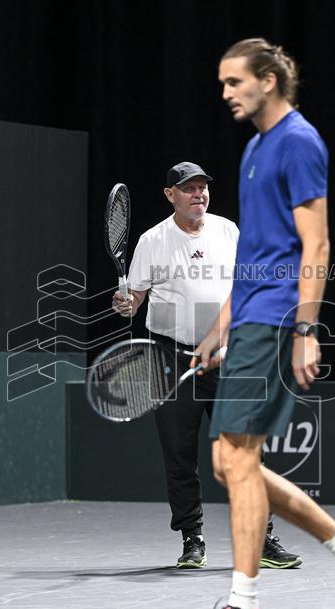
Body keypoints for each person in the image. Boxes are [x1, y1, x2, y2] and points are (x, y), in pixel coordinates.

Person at [177, 39, 335, 609]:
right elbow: (255, 251)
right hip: (249, 319)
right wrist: (221, 326)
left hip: (277, 319)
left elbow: (316, 244)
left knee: (237, 460)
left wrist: (305, 327)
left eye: (234, 82)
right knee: (229, 462)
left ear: (268, 80)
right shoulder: (253, 149)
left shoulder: (299, 142)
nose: (225, 93)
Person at [112, 161, 303, 570]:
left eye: (203, 188)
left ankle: (262, 539)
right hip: (170, 359)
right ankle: (192, 538)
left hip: (226, 358)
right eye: (189, 188)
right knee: (179, 455)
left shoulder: (228, 231)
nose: (199, 194)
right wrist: (126, 303)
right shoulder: (152, 240)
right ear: (170, 195)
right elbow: (136, 299)